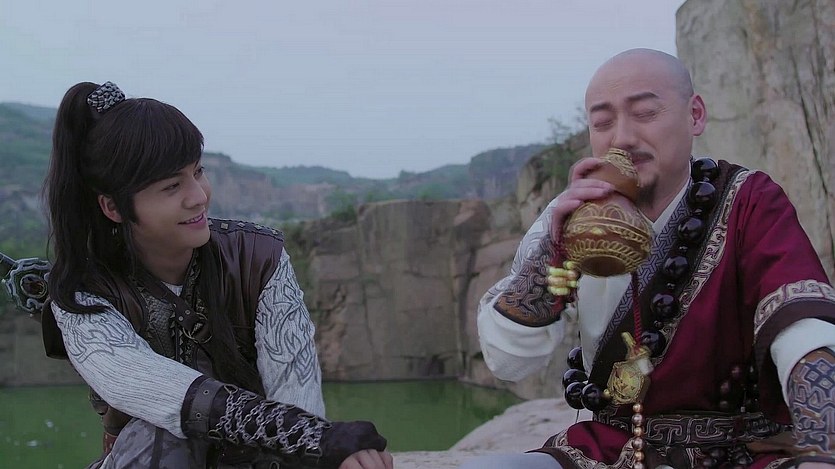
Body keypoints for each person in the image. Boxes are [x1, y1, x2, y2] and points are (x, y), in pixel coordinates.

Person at [463, 49, 835, 469]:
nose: (621, 138)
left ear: (695, 115)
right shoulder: (569, 217)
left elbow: (803, 327)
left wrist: (822, 447)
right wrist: (555, 250)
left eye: (644, 113)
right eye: (602, 123)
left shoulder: (749, 201)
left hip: (737, 451)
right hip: (609, 450)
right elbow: (508, 361)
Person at [41, 81, 394, 469]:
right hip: (150, 460)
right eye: (172, 186)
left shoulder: (259, 259)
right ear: (114, 207)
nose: (199, 196)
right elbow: (165, 393)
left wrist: (329, 447)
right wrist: (314, 436)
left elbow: (297, 397)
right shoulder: (81, 293)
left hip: (255, 462)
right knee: (161, 436)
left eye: (198, 172)